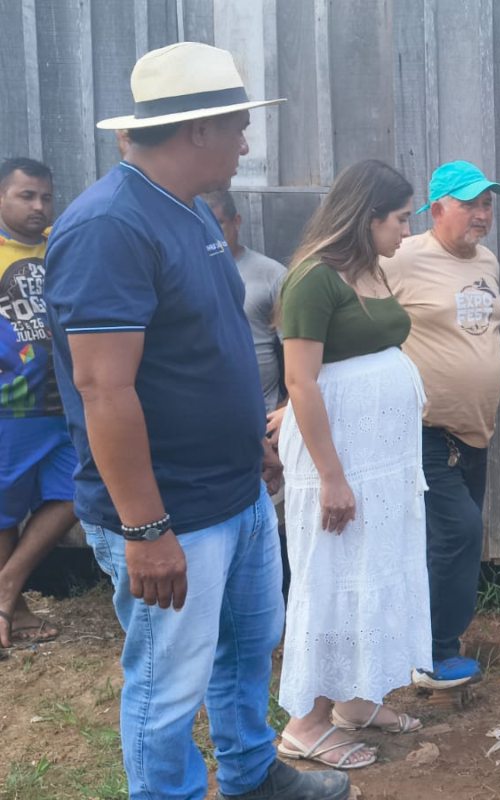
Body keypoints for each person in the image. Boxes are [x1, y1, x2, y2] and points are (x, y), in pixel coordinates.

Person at [44, 42, 348, 800]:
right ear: (199, 130)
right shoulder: (110, 226)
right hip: (171, 511)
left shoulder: (188, 214)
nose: (248, 141)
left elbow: (205, 349)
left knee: (247, 650)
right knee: (169, 682)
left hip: (234, 493)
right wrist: (146, 531)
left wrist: (253, 447)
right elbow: (102, 389)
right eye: (239, 126)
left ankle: (250, 773)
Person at [275, 159, 429, 770]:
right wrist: (332, 477)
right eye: (399, 218)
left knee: (379, 569)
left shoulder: (368, 269)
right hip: (341, 465)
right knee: (334, 577)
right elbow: (301, 380)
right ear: (365, 218)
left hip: (382, 463)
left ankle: (356, 701)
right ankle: (305, 724)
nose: (405, 230)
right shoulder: (314, 278)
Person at [380, 160, 500, 690]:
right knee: (460, 531)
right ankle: (433, 653)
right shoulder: (403, 258)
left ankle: (427, 643)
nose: (482, 215)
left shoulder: (488, 261)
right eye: (471, 204)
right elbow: (347, 306)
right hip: (427, 431)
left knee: (450, 539)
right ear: (438, 209)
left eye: (488, 204)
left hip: (474, 433)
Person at [0, 157, 78, 648]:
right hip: (12, 406)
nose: (39, 206)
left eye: (46, 197)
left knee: (78, 488)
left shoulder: (60, 248)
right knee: (4, 511)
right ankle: (15, 606)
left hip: (65, 400)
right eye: (26, 196)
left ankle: (7, 588)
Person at [202, 190, 287, 413]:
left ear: (236, 221)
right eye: (201, 226)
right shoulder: (183, 273)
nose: (210, 234)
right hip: (202, 411)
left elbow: (296, 348)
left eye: (218, 224)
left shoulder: (272, 274)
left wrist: (287, 408)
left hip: (263, 412)